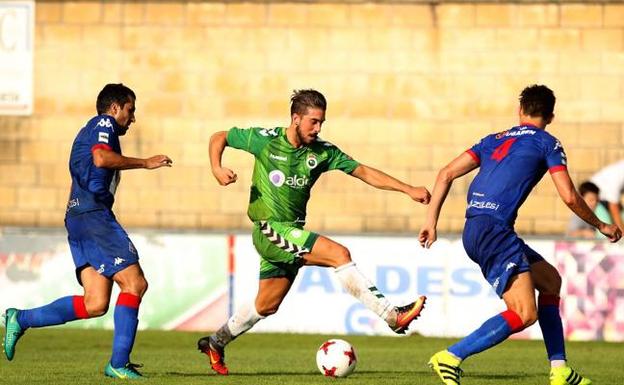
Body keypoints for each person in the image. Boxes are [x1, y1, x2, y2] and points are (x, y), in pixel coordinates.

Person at [199, 89, 431, 375]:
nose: (318, 128)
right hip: (269, 229)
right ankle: (391, 316)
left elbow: (364, 171)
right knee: (338, 254)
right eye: (313, 121)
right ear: (296, 119)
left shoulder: (322, 151)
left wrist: (407, 189)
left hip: (290, 232)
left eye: (322, 122)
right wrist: (216, 168)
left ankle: (215, 342)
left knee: (267, 305)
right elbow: (218, 137)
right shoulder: (265, 139)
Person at [418, 84, 621, 385]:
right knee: (524, 313)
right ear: (551, 115)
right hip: (494, 231)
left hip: (476, 227)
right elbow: (569, 196)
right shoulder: (547, 143)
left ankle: (560, 370)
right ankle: (451, 356)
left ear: (520, 111)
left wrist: (430, 222)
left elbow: (445, 173)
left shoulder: (492, 139)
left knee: (551, 280)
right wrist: (602, 225)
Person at [2, 83, 172, 379]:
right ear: (115, 108)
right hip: (94, 216)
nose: (132, 118)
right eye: (130, 110)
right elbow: (101, 158)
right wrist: (145, 162)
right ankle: (118, 363)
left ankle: (21, 318)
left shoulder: (91, 130)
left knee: (95, 303)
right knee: (135, 284)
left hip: (78, 217)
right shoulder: (103, 123)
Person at [590, 160, 624, 231]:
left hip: (606, 199)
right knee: (605, 229)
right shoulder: (619, 175)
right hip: (598, 201)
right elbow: (613, 207)